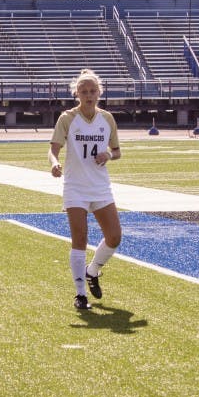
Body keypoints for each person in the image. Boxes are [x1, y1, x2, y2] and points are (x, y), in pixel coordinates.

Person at [48, 69, 122, 311]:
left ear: (99, 92)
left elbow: (117, 151)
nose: (89, 95)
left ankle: (93, 271)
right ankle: (80, 294)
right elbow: (53, 149)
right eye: (84, 91)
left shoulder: (107, 119)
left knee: (114, 236)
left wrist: (108, 154)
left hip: (100, 186)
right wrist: (54, 163)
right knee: (79, 239)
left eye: (93, 91)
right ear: (76, 94)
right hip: (76, 187)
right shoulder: (67, 119)